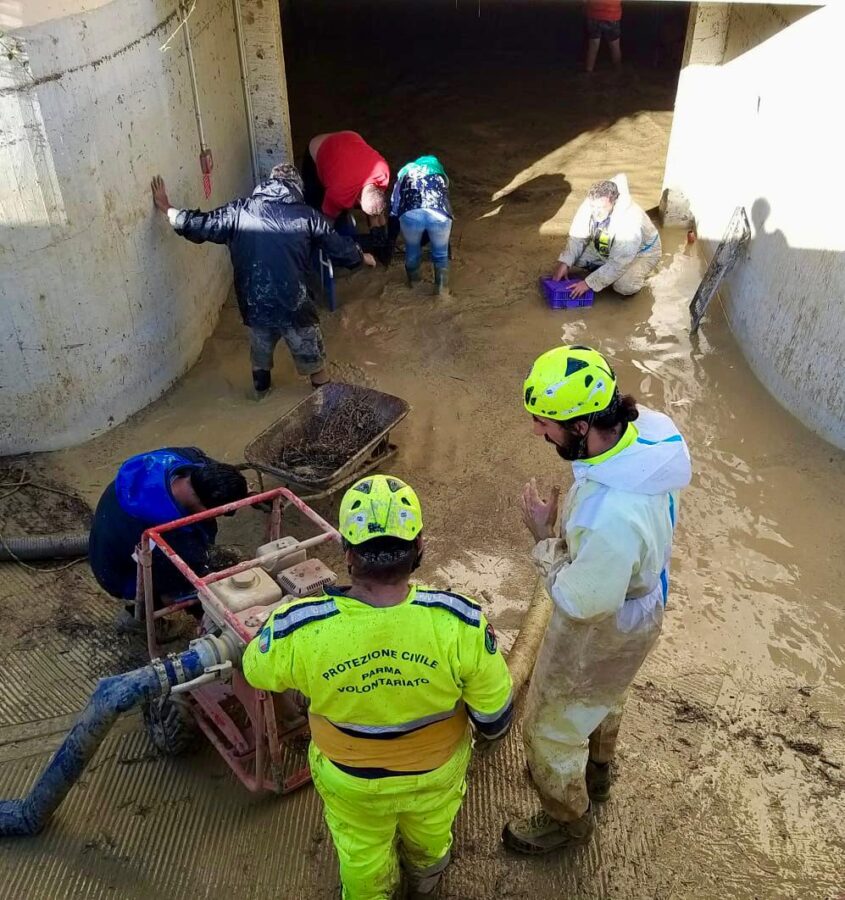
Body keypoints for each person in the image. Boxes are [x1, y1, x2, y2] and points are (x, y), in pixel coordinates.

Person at [242, 475, 514, 899]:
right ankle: (426, 877)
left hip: (350, 777)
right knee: (431, 829)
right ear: (420, 546)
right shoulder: (459, 621)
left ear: (348, 554)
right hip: (436, 771)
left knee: (361, 851)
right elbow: (494, 713)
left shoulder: (300, 626)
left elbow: (257, 671)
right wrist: (491, 734)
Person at [502, 345, 691, 853]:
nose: (538, 432)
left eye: (545, 423)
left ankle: (568, 818)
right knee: (609, 692)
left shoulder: (607, 516)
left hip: (605, 619)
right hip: (642, 601)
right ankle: (598, 770)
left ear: (582, 425)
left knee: (548, 724)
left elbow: (579, 602)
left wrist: (544, 537)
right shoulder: (649, 431)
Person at [150, 164, 374, 398]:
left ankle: (261, 397)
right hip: (294, 304)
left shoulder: (238, 211)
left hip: (254, 304)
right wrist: (361, 256)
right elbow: (337, 247)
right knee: (314, 364)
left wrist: (167, 208)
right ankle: (324, 402)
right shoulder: (307, 215)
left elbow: (199, 225)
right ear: (296, 187)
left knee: (260, 360)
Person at [88, 447, 248, 631]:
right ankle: (140, 618)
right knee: (186, 586)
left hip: (108, 532)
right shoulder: (166, 534)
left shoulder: (183, 461)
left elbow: (210, 466)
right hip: (116, 572)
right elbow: (185, 579)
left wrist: (244, 494)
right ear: (205, 511)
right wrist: (207, 610)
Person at [551, 174, 661, 299]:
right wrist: (565, 263)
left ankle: (638, 274)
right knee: (574, 258)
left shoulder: (629, 221)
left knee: (623, 286)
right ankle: (607, 273)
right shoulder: (592, 202)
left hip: (642, 254)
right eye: (593, 207)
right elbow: (577, 237)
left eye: (601, 208)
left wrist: (588, 283)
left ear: (613, 201)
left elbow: (619, 262)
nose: (596, 212)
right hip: (610, 247)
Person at [302, 131, 391, 258]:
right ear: (359, 201)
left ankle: (379, 243)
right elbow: (326, 227)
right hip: (318, 148)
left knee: (373, 210)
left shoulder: (383, 172)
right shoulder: (339, 194)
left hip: (350, 138)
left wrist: (380, 233)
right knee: (315, 205)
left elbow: (377, 209)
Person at [390, 155, 453, 293]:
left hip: (411, 214)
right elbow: (445, 200)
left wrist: (393, 230)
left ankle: (415, 284)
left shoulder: (404, 175)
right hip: (439, 214)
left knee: (412, 249)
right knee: (441, 255)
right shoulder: (439, 176)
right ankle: (442, 292)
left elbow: (394, 205)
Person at [584, 0, 623, 73]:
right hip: (612, 14)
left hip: (593, 15)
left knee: (593, 46)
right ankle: (618, 72)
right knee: (615, 46)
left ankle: (588, 72)